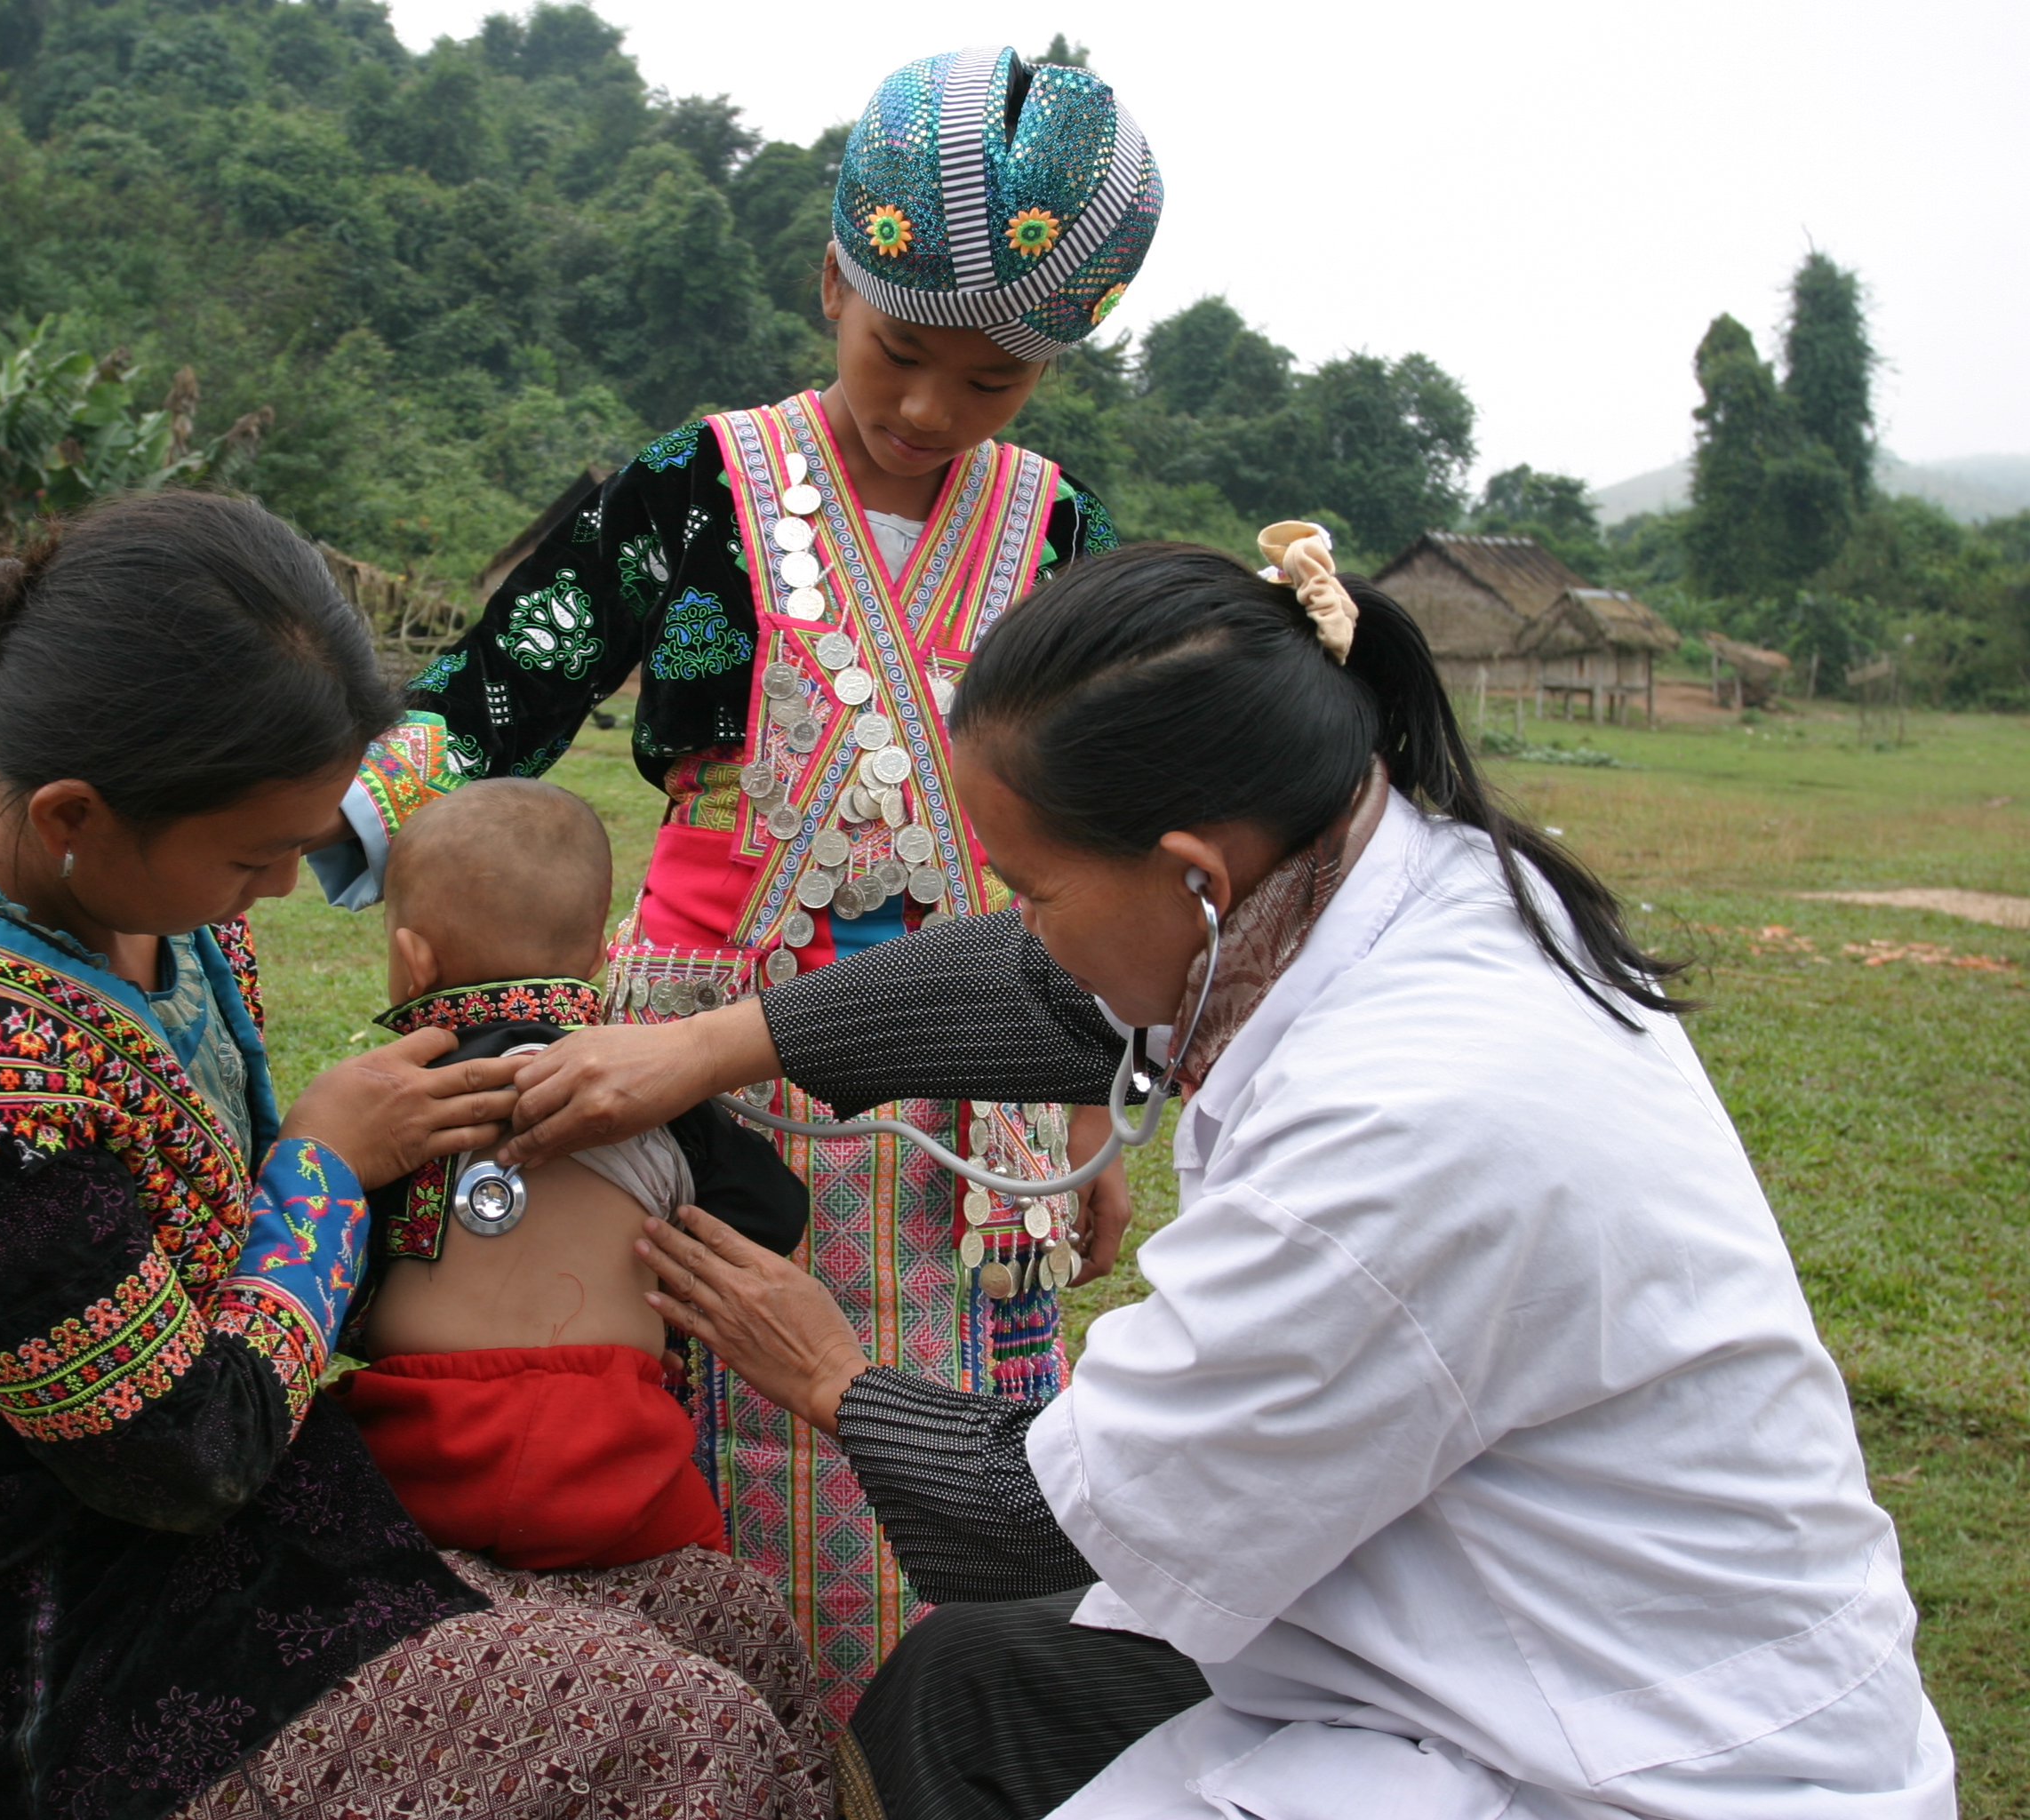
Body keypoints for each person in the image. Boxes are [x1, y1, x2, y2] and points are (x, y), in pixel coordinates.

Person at [497, 532, 1955, 1818]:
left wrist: (824, 1372)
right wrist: (710, 1046)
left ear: (1194, 872)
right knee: (968, 1683)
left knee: (992, 1663)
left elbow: (1030, 1521)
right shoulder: (1392, 871)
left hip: (1628, 1753)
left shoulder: (1406, 1132)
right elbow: (1050, 984)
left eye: (1041, 888)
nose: (1030, 926)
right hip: (1495, 1639)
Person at [0, 491, 832, 1820]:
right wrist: (320, 1173)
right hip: (50, 1653)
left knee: (736, 1629)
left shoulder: (147, 914)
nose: (273, 891)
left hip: (246, 1538)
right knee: (677, 1733)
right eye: (257, 855)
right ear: (77, 814)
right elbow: (184, 1456)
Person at [310, 44, 1164, 1710]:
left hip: (964, 1111)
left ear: (1051, 374)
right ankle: (715, 1748)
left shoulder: (1060, 535)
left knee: (946, 1439)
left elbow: (1106, 839)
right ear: (831, 277)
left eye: (988, 385)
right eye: (897, 350)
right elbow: (505, 686)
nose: (926, 408)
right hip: (699, 1076)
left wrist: (1080, 1108)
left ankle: (925, 1751)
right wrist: (323, 813)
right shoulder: (694, 488)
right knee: (709, 1443)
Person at [332, 777, 810, 1571]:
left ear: (412, 961)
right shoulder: (653, 1094)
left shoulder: (394, 1103)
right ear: (599, 955)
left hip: (421, 1443)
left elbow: (330, 1247)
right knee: (702, 1589)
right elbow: (771, 1212)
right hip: (617, 1441)